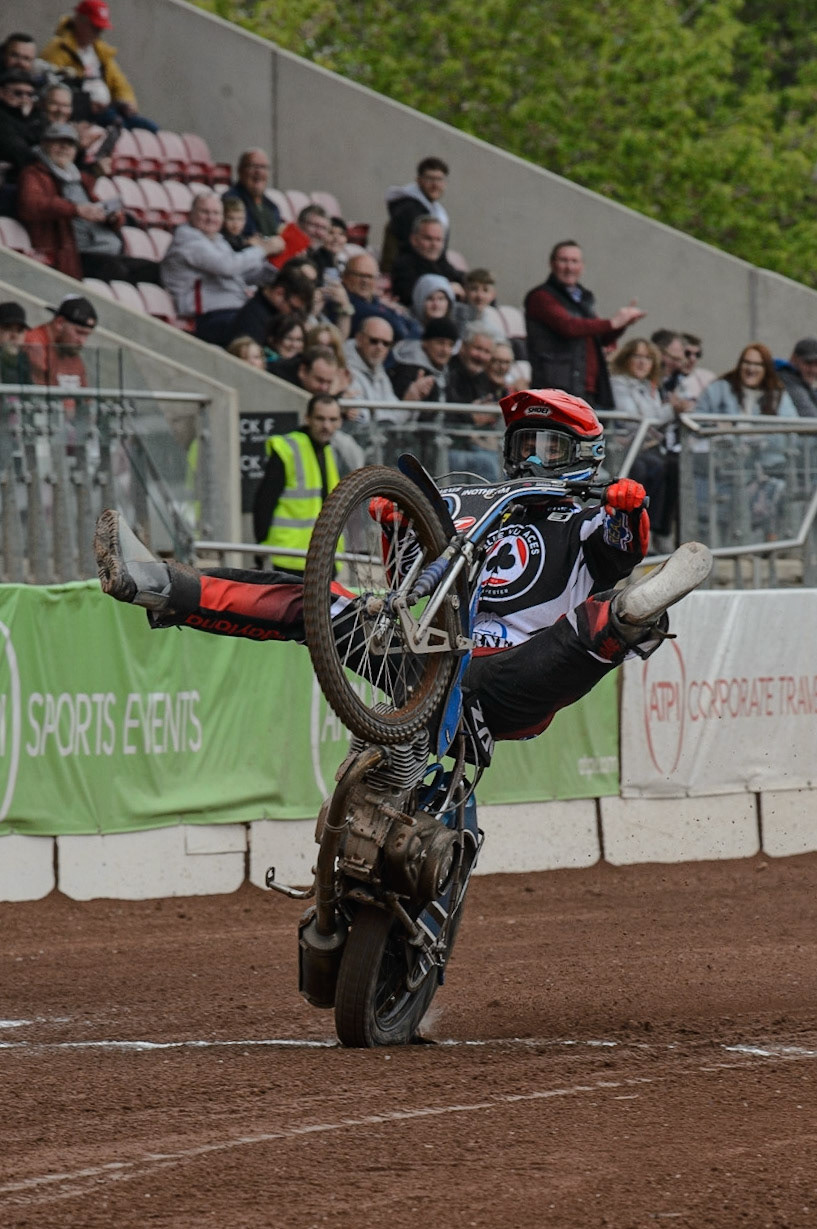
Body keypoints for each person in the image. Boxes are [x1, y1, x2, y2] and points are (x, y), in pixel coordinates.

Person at [93, 389, 713, 747]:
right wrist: (397, 526)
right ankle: (157, 583)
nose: (533, 459)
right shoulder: (471, 500)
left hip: (522, 673)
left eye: (549, 448)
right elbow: (409, 586)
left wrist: (628, 510)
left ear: (584, 455)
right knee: (313, 602)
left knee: (596, 617)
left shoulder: (583, 517)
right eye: (524, 445)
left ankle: (636, 612)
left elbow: (619, 548)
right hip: (431, 661)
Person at [17, 121, 158, 284]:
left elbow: (95, 207)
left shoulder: (78, 178)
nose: (64, 148)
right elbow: (31, 205)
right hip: (74, 254)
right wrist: (75, 209)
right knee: (116, 271)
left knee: (154, 270)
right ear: (44, 144)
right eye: (58, 142)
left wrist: (112, 217)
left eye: (69, 145)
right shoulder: (33, 174)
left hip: (108, 250)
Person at [694, 342, 798, 540]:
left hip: (768, 465)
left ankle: (769, 542)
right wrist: (716, 427)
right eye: (746, 363)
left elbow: (793, 430)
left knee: (779, 489)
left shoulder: (777, 395)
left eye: (757, 365)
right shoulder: (720, 388)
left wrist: (764, 439)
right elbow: (695, 420)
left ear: (765, 369)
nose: (751, 368)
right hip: (724, 465)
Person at [524, 239, 645, 408]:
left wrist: (622, 323)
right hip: (556, 391)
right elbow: (569, 326)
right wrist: (613, 322)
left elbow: (598, 337)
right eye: (563, 260)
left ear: (582, 266)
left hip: (587, 390)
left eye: (574, 261)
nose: (569, 267)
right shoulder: (541, 297)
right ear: (552, 263)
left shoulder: (584, 299)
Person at [160, 192, 278, 345]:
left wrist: (275, 270)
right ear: (191, 214)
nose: (211, 218)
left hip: (232, 310)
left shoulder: (217, 240)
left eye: (216, 213)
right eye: (204, 212)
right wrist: (263, 249)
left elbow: (241, 274)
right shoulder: (188, 241)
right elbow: (228, 266)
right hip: (206, 317)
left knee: (281, 322)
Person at [251, 393, 343, 572]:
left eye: (333, 420)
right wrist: (261, 548)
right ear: (307, 418)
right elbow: (264, 501)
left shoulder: (329, 451)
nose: (327, 426)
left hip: (322, 556)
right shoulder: (288, 448)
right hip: (290, 557)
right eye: (320, 419)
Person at [40, 1, 158, 132]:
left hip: (111, 109)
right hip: (83, 113)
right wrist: (86, 104)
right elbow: (52, 88)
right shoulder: (58, 50)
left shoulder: (100, 51)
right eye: (95, 27)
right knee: (118, 127)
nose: (98, 33)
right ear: (80, 21)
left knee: (150, 128)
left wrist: (127, 101)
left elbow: (120, 83)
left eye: (100, 29)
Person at [444, 326, 502, 481]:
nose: (481, 356)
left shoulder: (483, 379)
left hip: (477, 447)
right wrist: (472, 418)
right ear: (463, 347)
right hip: (447, 448)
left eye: (486, 352)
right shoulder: (447, 371)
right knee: (488, 463)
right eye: (477, 349)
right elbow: (442, 416)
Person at [383, 156, 450, 271]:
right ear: (418, 180)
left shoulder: (437, 211)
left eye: (439, 179)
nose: (435, 185)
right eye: (430, 179)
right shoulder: (408, 210)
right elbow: (416, 254)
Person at [227, 264, 315, 351]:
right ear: (279, 293)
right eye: (293, 308)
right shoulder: (253, 318)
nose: (293, 314)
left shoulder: (275, 316)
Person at [390, 215, 465, 308]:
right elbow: (409, 295)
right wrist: (447, 289)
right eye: (428, 238)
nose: (434, 244)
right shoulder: (403, 265)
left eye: (438, 240)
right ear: (414, 240)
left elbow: (461, 278)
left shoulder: (442, 263)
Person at [24, 294, 97, 389]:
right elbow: (39, 396)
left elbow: (86, 398)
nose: (82, 341)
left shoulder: (69, 348)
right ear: (60, 323)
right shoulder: (34, 344)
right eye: (79, 332)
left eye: (87, 335)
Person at [342, 252, 419, 341]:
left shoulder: (377, 302)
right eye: (360, 275)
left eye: (370, 277)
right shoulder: (342, 300)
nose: (365, 281)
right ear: (345, 277)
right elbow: (398, 329)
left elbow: (415, 327)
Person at [221, 149, 285, 244]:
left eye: (263, 167)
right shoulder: (230, 200)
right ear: (240, 170)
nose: (258, 171)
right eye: (253, 166)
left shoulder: (272, 206)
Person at [0, 69, 41, 181]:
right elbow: (18, 152)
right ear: (2, 92)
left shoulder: (35, 115)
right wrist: (25, 119)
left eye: (29, 94)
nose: (24, 98)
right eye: (18, 93)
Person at [452, 267, 506, 340]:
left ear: (493, 295)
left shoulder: (492, 317)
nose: (480, 296)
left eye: (485, 290)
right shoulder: (455, 313)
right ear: (465, 290)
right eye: (474, 289)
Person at [775, 337, 817, 418]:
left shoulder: (803, 384)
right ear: (793, 359)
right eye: (808, 363)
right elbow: (810, 419)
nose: (814, 370)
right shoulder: (787, 381)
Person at [678, 333, 715, 404]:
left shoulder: (707, 378)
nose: (693, 359)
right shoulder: (667, 378)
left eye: (697, 354)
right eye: (687, 353)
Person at [0, 300, 32, 383]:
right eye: (7, 328)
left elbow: (31, 393)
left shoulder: (24, 360)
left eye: (19, 330)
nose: (14, 336)